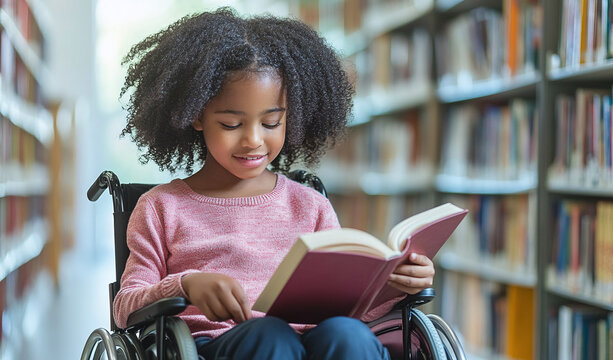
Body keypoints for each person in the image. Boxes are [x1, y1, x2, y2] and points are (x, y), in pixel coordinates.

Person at [114, 8, 435, 360]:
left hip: (315, 343)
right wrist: (186, 285)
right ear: (196, 115)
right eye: (232, 124)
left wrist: (392, 286)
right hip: (215, 347)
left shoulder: (310, 206)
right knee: (271, 337)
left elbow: (346, 309)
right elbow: (126, 306)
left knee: (349, 334)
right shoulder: (162, 207)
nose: (253, 140)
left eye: (270, 123)